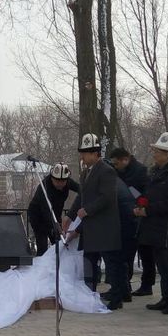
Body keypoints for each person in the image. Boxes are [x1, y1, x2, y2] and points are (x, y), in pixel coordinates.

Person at [63, 133, 125, 310]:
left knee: (111, 263)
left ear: (94, 153)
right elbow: (81, 197)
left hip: (105, 226)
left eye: (85, 153)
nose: (82, 156)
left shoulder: (106, 171)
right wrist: (70, 215)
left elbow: (107, 197)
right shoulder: (86, 173)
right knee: (89, 261)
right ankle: (89, 293)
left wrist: (87, 210)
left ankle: (117, 296)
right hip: (91, 227)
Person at [135, 133, 168, 315]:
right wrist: (141, 204)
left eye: (157, 152)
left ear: (167, 154)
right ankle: (166, 297)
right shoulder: (155, 173)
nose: (154, 155)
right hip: (155, 227)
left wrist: (149, 209)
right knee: (162, 265)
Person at [109, 147, 155, 297]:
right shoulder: (118, 171)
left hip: (139, 215)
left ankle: (147, 284)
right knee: (126, 253)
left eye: (117, 163)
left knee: (145, 253)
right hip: (125, 216)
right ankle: (124, 284)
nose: (115, 167)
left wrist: (133, 197)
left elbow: (145, 192)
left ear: (125, 160)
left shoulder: (140, 171)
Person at [27, 163, 79, 256]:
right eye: (57, 181)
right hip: (38, 216)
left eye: (63, 181)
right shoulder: (44, 188)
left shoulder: (68, 182)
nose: (60, 184)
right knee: (43, 245)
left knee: (59, 243)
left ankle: (58, 262)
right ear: (51, 178)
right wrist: (57, 227)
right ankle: (42, 261)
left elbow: (81, 189)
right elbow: (46, 211)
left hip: (55, 213)